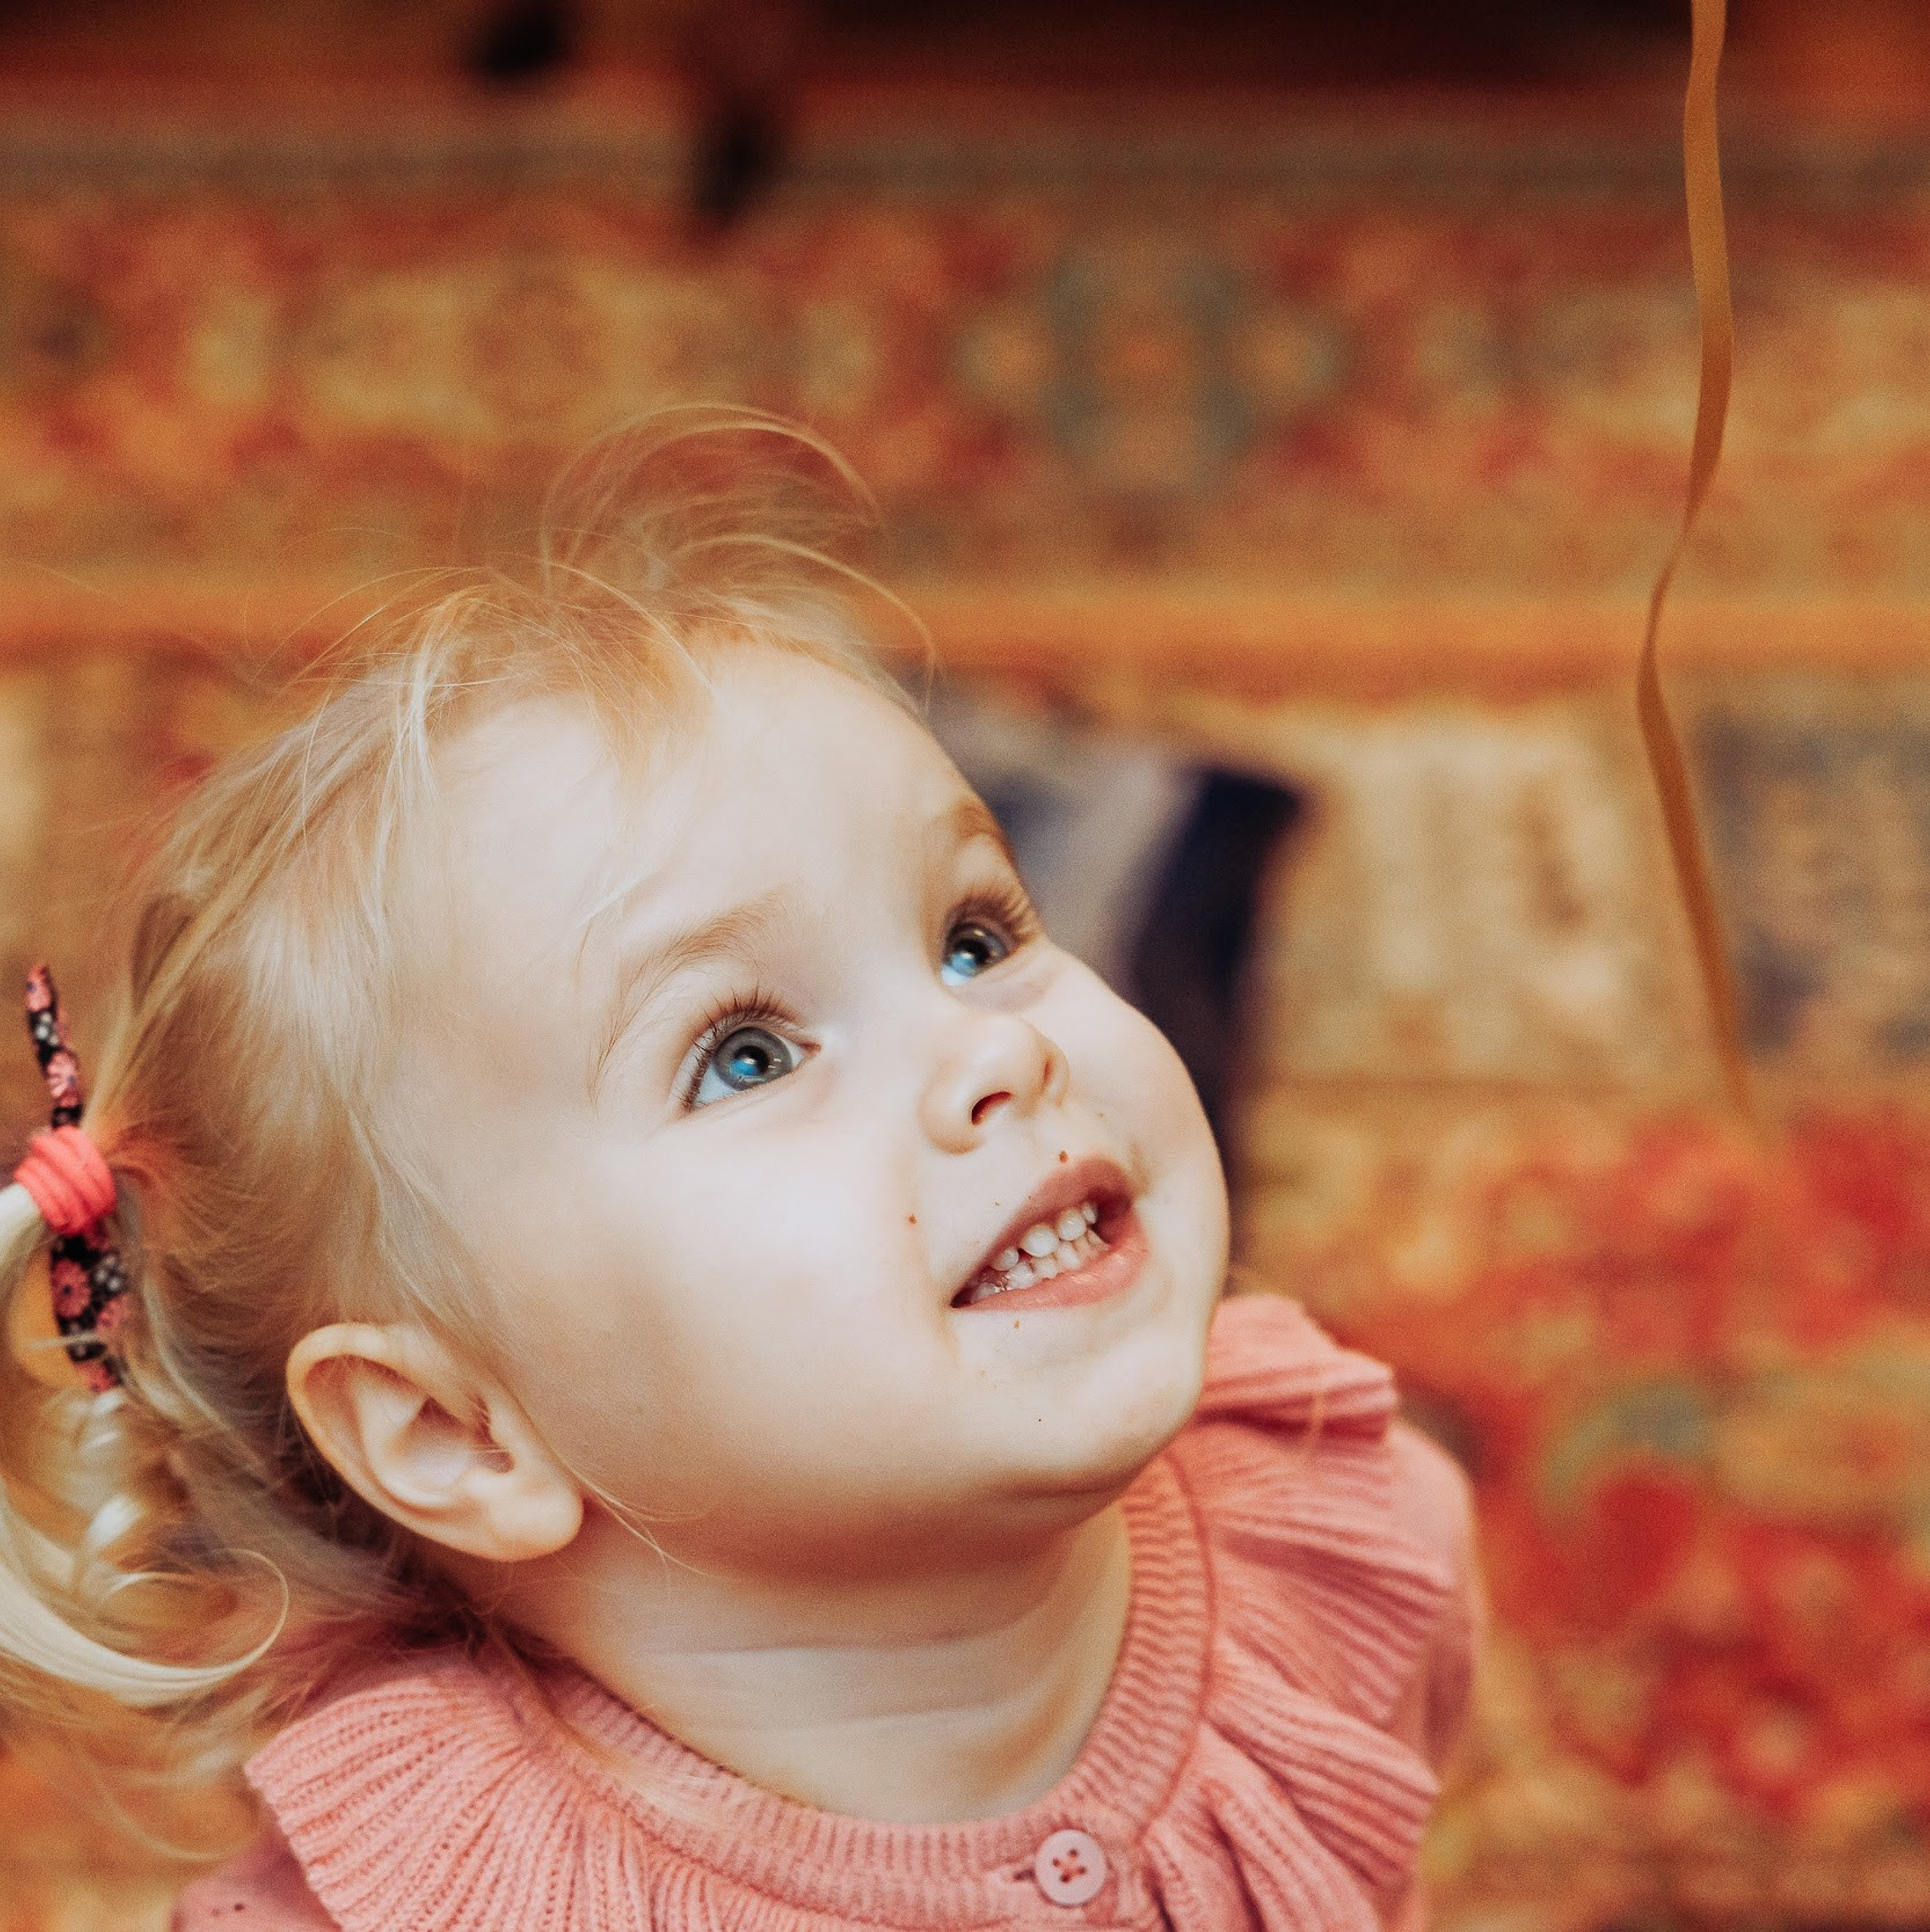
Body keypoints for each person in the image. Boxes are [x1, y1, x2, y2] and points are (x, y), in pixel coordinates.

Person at [0, 414, 1479, 1932]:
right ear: (454, 1430)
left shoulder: (1344, 1539)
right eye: (745, 1053)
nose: (994, 1053)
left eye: (973, 936)